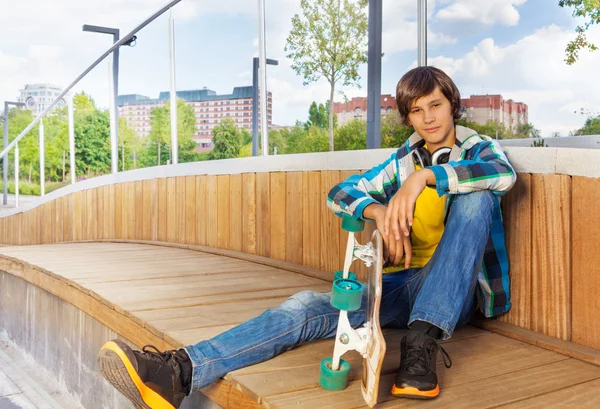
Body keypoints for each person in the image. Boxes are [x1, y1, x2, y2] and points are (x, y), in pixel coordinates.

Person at [97, 66, 516, 408]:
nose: (429, 117)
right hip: (405, 284)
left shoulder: (479, 149)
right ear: (407, 117)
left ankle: (420, 345)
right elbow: (340, 193)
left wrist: (425, 178)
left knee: (476, 199)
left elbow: (503, 174)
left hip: (454, 295)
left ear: (452, 105)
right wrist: (379, 208)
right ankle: (178, 372)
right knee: (306, 306)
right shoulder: (401, 161)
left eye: (436, 105)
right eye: (418, 110)